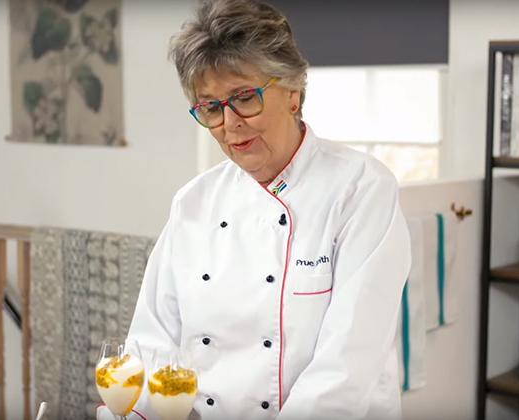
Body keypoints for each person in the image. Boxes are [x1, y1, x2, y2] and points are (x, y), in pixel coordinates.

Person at [127, 0, 411, 419]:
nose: (229, 123)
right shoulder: (193, 202)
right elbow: (153, 343)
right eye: (211, 107)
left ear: (293, 92)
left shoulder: (361, 190)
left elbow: (345, 368)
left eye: (244, 97)